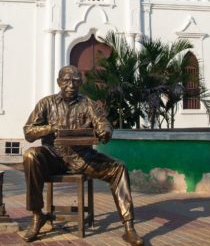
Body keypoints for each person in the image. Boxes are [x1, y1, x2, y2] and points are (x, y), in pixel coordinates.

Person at [21, 65, 144, 245]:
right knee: (30, 156)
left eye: (76, 81)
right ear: (59, 82)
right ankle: (37, 216)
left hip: (83, 158)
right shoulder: (46, 104)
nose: (71, 85)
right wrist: (50, 128)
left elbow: (104, 123)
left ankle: (129, 227)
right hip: (53, 157)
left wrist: (105, 131)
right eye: (66, 81)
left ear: (81, 83)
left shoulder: (88, 104)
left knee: (119, 168)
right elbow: (28, 131)